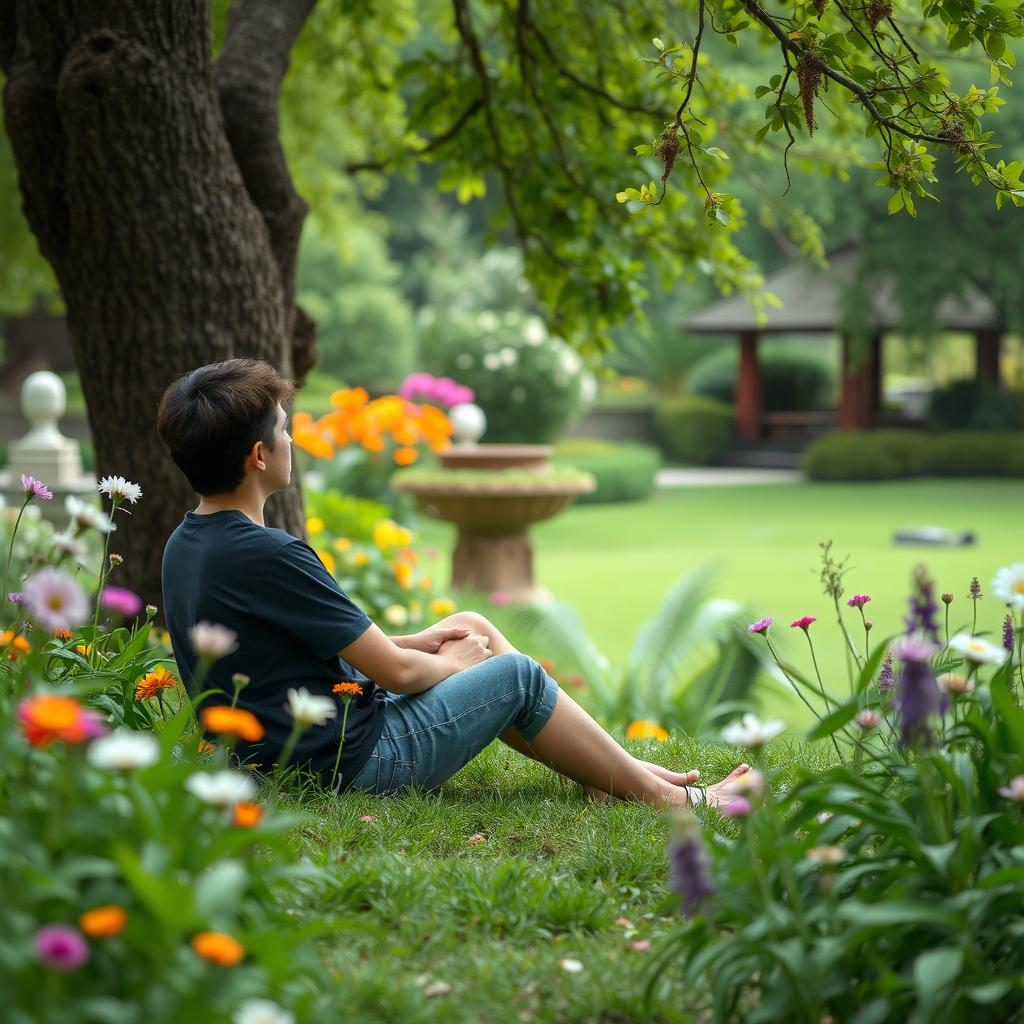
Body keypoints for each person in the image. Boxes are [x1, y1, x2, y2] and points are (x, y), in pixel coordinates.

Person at [157, 359, 748, 808]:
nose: (293, 442)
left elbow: (294, 653)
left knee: (470, 624)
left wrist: (427, 643)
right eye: (284, 431)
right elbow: (398, 674)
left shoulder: (186, 543)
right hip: (344, 764)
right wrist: (453, 663)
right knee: (515, 675)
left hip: (276, 754)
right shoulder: (272, 555)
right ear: (260, 456)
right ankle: (672, 799)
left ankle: (614, 774)